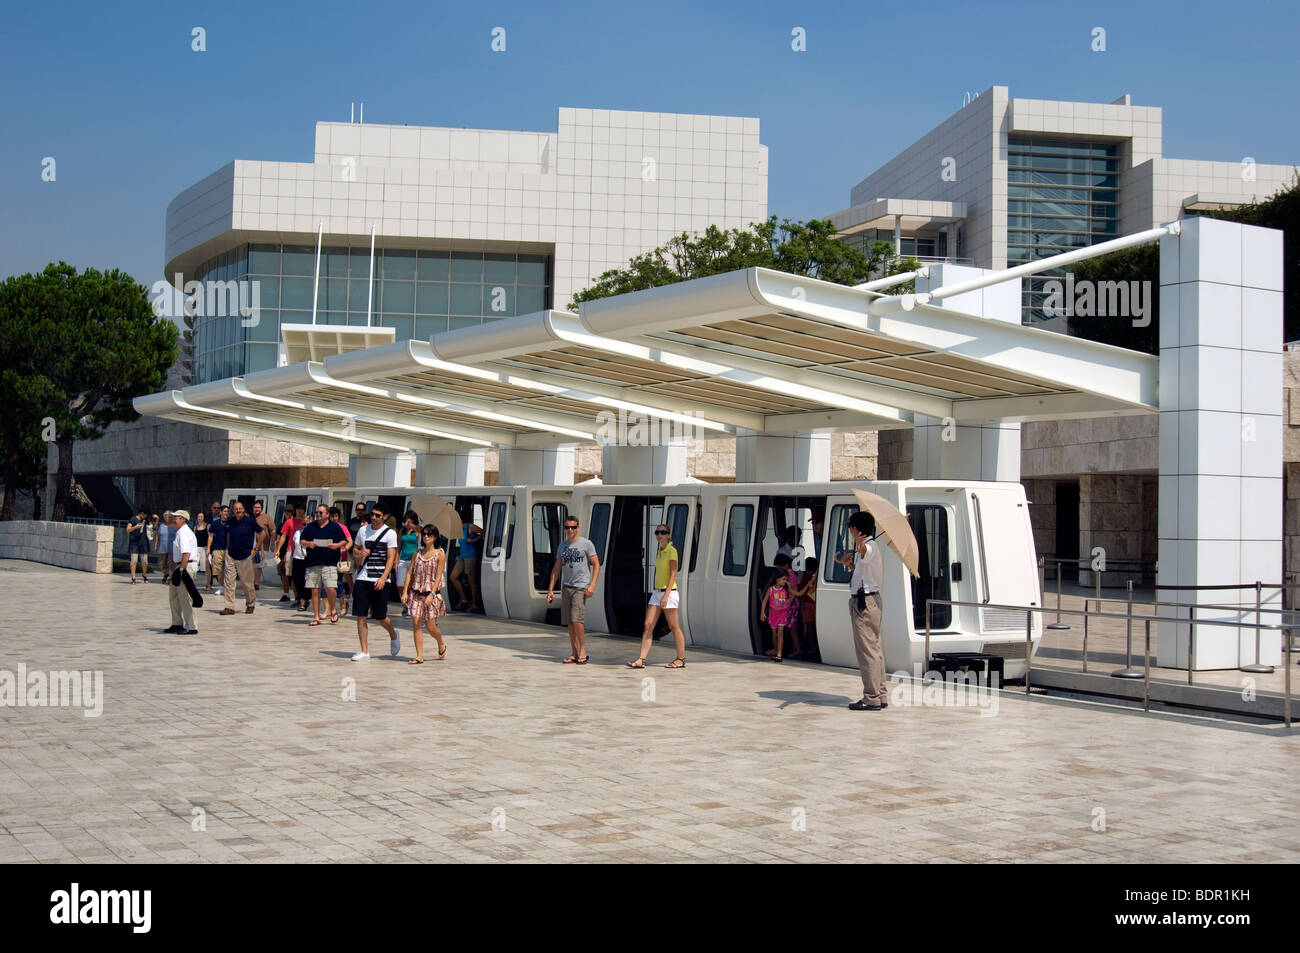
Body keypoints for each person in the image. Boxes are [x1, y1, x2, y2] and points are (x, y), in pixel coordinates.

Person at [840, 511, 886, 711]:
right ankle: (880, 694)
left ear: (856, 529)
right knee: (875, 649)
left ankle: (871, 697)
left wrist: (859, 543)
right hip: (868, 600)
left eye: (851, 527)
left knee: (867, 651)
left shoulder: (869, 546)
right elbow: (862, 574)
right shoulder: (866, 548)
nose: (849, 530)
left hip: (864, 603)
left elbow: (865, 551)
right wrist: (851, 565)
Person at [626, 523, 686, 669]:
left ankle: (681, 659)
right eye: (657, 532)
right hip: (657, 592)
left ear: (668, 535)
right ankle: (641, 659)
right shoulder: (660, 550)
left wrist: (665, 596)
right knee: (647, 625)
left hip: (669, 593)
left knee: (674, 626)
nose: (659, 535)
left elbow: (673, 574)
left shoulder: (672, 551)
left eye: (663, 532)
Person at [350, 502, 401, 661]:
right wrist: (360, 553)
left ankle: (393, 633)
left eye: (377, 515)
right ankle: (364, 651)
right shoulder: (363, 530)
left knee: (380, 616)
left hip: (380, 579)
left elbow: (391, 557)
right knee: (361, 615)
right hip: (363, 578)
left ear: (385, 517)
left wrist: (384, 577)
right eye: (372, 514)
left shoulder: (390, 533)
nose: (373, 517)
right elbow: (355, 549)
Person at [545, 516, 599, 665]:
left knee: (577, 619)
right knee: (569, 621)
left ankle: (583, 650)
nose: (570, 530)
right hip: (566, 586)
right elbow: (556, 568)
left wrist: (592, 585)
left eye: (573, 527)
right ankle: (574, 652)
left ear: (578, 528)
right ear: (564, 529)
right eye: (567, 527)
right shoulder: (562, 546)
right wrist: (550, 589)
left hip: (580, 586)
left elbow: (596, 564)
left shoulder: (586, 544)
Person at [401, 524, 448, 663]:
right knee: (416, 622)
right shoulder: (417, 553)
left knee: (430, 626)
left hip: (430, 594)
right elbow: (410, 572)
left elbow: (439, 576)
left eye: (429, 534)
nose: (426, 536)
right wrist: (405, 592)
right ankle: (419, 655)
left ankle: (440, 642)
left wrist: (432, 594)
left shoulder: (440, 554)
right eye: (425, 534)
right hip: (416, 593)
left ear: (435, 537)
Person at [302, 503, 348, 625]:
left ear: (327, 515)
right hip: (313, 562)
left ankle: (333, 609)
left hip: (330, 562)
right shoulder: (310, 527)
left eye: (320, 512)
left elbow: (344, 540)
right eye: (316, 512)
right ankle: (316, 616)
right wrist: (308, 544)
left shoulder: (335, 527)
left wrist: (337, 546)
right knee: (315, 590)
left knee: (330, 588)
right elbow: (302, 540)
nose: (318, 514)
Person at [164, 510, 200, 635]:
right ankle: (177, 623)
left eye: (177, 517)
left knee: (185, 597)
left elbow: (186, 553)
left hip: (185, 566)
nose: (174, 519)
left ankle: (192, 626)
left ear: (183, 519)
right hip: (180, 566)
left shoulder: (184, 533)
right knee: (174, 595)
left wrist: (181, 570)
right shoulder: (180, 532)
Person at [220, 501, 260, 615]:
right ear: (233, 511)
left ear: (243, 509)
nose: (238, 511)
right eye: (236, 509)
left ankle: (250, 604)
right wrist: (227, 549)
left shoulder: (250, 521)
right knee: (229, 582)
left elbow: (261, 533)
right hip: (231, 555)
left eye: (240, 509)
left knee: (246, 582)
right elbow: (228, 534)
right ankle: (229, 607)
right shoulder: (230, 522)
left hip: (245, 556)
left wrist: (256, 549)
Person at [450, 513, 483, 612]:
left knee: (471, 581)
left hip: (470, 556)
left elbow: (483, 532)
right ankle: (464, 599)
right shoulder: (459, 529)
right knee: (453, 577)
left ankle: (474, 604)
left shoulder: (470, 526)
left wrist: (473, 540)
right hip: (462, 556)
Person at [760, 569, 795, 662]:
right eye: (783, 579)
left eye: (786, 579)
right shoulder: (771, 589)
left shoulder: (786, 589)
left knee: (780, 634)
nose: (785, 581)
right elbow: (764, 601)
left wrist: (808, 584)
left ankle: (779, 654)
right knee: (774, 635)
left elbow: (797, 594)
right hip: (773, 615)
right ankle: (776, 650)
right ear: (777, 579)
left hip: (782, 614)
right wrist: (762, 612)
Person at [277, 504, 306, 603]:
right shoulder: (289, 522)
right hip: (291, 551)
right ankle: (297, 597)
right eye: (298, 508)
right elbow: (283, 536)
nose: (299, 511)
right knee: (291, 575)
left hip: (304, 553)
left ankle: (303, 597)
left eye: (301, 509)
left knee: (301, 576)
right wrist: (278, 549)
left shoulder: (306, 522)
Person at [396, 511, 421, 617]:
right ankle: (406, 603)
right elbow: (398, 546)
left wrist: (413, 527)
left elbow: (421, 534)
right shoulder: (402, 530)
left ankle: (409, 606)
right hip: (403, 559)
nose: (408, 520)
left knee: (411, 584)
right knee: (400, 584)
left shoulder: (418, 529)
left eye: (410, 518)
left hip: (413, 560)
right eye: (406, 518)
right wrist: (395, 561)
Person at [793, 556, 819, 660]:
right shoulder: (812, 578)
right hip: (812, 604)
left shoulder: (804, 578)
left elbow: (801, 593)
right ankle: (812, 645)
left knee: (809, 627)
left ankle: (811, 645)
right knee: (810, 627)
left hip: (808, 605)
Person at [330, 506, 353, 614]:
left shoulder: (342, 527)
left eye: (336, 516)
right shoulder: (325, 527)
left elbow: (350, 541)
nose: (334, 518)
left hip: (340, 559)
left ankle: (342, 605)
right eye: (332, 516)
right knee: (329, 585)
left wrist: (344, 550)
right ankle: (332, 607)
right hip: (328, 559)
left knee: (338, 583)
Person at [251, 501, 277, 590]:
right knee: (252, 564)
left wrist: (272, 543)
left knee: (258, 564)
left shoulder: (267, 517)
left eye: (258, 507)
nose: (257, 509)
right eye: (255, 507)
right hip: (251, 544)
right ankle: (253, 582)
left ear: (261, 508)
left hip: (263, 546)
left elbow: (273, 531)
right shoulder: (250, 518)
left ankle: (256, 583)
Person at [207, 504, 229, 591]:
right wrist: (208, 548)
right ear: (220, 512)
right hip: (217, 548)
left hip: (228, 549)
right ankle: (221, 586)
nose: (226, 513)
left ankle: (228, 587)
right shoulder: (215, 523)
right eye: (224, 511)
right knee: (217, 569)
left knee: (228, 570)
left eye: (227, 511)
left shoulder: (231, 522)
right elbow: (210, 536)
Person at [126, 506, 150, 584]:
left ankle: (144, 574)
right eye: (146, 515)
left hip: (143, 542)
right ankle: (133, 577)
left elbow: (151, 527)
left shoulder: (145, 520)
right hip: (134, 542)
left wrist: (156, 520)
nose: (146, 516)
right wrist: (135, 527)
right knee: (134, 560)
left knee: (145, 561)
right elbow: (128, 529)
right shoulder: (133, 519)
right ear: (142, 513)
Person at [289, 522, 309, 611]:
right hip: (297, 558)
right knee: (296, 579)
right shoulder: (297, 533)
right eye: (304, 524)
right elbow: (293, 544)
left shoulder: (312, 534)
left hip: (307, 559)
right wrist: (292, 555)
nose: (306, 526)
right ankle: (300, 598)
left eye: (308, 524)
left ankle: (303, 602)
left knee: (305, 581)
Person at [156, 511, 176, 579]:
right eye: (165, 516)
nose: (166, 518)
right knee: (162, 563)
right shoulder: (161, 526)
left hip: (171, 547)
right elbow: (157, 536)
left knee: (171, 563)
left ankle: (170, 577)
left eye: (168, 516)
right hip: (162, 546)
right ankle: (165, 574)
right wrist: (156, 545)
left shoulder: (174, 526)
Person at [193, 511, 208, 578]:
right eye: (198, 516)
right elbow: (194, 537)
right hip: (197, 547)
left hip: (205, 547)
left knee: (204, 565)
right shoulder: (195, 527)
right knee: (195, 563)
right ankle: (193, 575)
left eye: (201, 516)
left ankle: (207, 578)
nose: (200, 518)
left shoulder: (207, 526)